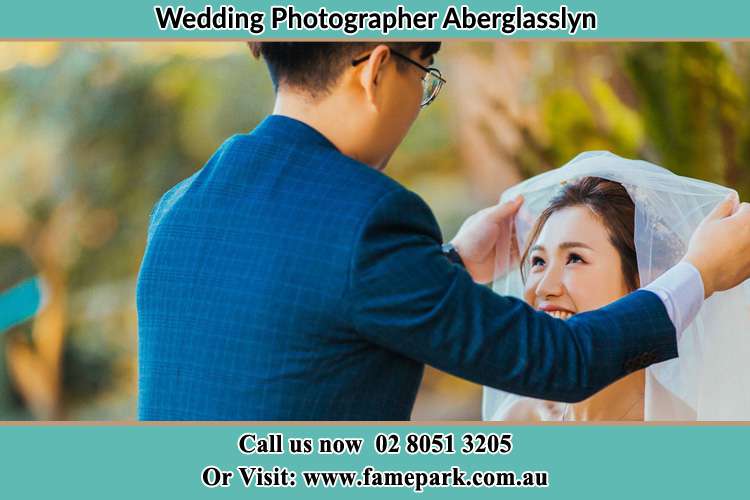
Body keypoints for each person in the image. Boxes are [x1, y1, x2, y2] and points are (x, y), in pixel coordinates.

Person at [136, 42, 750, 421]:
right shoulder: (369, 214)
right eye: (424, 77)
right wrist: (701, 272)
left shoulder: (176, 209)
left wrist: (451, 264)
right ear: (378, 69)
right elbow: (561, 360)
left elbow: (306, 320)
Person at [484, 152, 750, 421]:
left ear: (643, 281)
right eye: (539, 261)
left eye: (575, 258)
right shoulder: (518, 417)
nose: (544, 288)